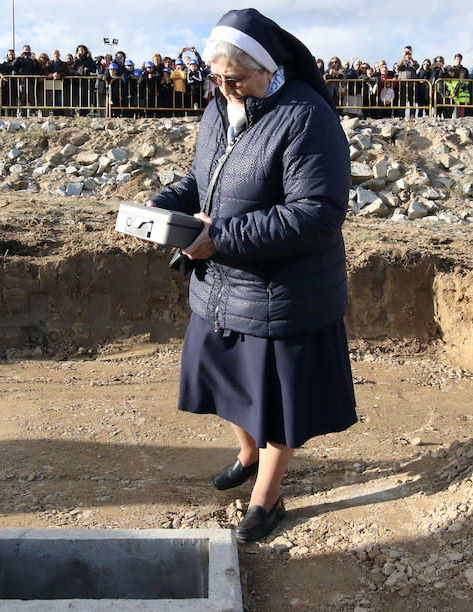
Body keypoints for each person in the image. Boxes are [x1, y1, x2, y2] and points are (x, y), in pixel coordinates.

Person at [146, 8, 357, 543]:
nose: (223, 88)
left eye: (234, 78)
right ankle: (246, 454)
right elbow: (204, 181)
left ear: (267, 68)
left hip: (283, 291)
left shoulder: (307, 116)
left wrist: (224, 237)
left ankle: (268, 495)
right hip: (222, 284)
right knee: (226, 382)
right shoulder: (220, 107)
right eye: (215, 78)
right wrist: (160, 209)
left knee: (275, 402)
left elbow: (316, 213)